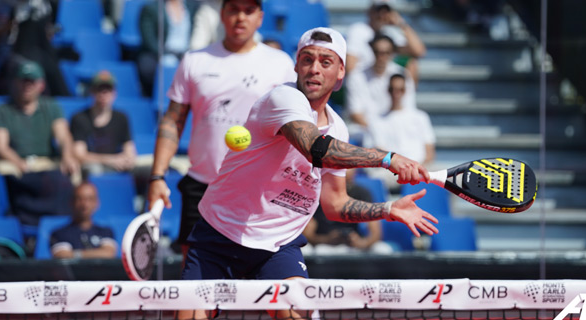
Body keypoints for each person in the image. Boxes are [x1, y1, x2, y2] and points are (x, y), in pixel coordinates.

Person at [152, 27, 438, 320]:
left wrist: (388, 209)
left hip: (278, 246)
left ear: (341, 72)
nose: (314, 69)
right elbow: (319, 149)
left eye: (325, 62)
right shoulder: (283, 98)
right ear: (296, 66)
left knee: (301, 314)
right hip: (221, 236)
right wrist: (388, 159)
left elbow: (335, 205)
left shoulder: (338, 128)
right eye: (307, 60)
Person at [147, 0, 296, 256]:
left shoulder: (280, 64)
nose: (241, 17)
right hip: (202, 186)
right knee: (193, 274)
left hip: (257, 188)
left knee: (254, 277)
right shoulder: (195, 61)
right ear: (221, 14)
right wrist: (157, 176)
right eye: (233, 9)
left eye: (248, 11)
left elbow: (293, 126)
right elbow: (173, 119)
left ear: (260, 18)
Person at [0, 60, 79, 228]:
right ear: (15, 82)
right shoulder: (2, 110)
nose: (27, 86)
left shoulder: (51, 107)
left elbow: (63, 136)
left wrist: (67, 155)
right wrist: (18, 162)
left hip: (45, 163)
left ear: (41, 85)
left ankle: (61, 225)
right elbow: (0, 146)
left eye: (32, 82)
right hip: (17, 165)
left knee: (69, 176)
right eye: (24, 81)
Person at [366, 73, 436, 190]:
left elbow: (430, 153)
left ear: (405, 91)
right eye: (392, 89)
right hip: (393, 172)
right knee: (375, 177)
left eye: (400, 89)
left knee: (450, 178)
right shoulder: (377, 121)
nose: (396, 93)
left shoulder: (420, 117)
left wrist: (417, 169)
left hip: (421, 168)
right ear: (388, 91)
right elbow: (382, 154)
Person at [345, 33, 417, 145]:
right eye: (377, 52)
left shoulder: (403, 75)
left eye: (386, 52)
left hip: (396, 130)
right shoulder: (357, 76)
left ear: (392, 53)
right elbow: (355, 113)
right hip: (365, 131)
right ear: (372, 51)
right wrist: (377, 130)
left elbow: (408, 109)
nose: (381, 56)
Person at [302, 169, 394, 255]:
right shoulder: (316, 193)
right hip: (324, 245)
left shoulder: (362, 193)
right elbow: (307, 236)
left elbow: (376, 233)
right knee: (310, 250)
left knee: (382, 249)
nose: (344, 171)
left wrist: (362, 243)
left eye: (348, 167)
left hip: (353, 244)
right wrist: (327, 239)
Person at [70, 70, 137, 178]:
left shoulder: (121, 118)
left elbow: (130, 150)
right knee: (94, 170)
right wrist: (111, 160)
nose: (103, 94)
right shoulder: (79, 118)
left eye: (108, 90)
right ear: (92, 92)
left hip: (117, 165)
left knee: (149, 170)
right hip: (94, 167)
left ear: (114, 93)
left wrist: (128, 160)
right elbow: (79, 155)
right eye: (99, 90)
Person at [345, 0, 425, 80]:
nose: (381, 15)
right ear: (370, 11)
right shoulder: (358, 30)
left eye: (386, 11)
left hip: (386, 83)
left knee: (411, 64)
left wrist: (401, 23)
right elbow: (350, 67)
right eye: (378, 10)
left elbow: (419, 51)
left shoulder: (392, 32)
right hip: (365, 80)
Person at [137, 0, 201, 96]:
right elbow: (149, 40)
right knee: (149, 66)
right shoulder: (152, 8)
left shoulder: (192, 7)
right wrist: (166, 54)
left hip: (186, 54)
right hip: (161, 54)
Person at [50, 182, 117, 259]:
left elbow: (108, 254)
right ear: (71, 202)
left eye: (90, 199)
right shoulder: (59, 234)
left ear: (97, 203)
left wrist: (74, 254)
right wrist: (98, 252)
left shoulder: (106, 232)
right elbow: (62, 256)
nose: (85, 204)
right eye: (80, 199)